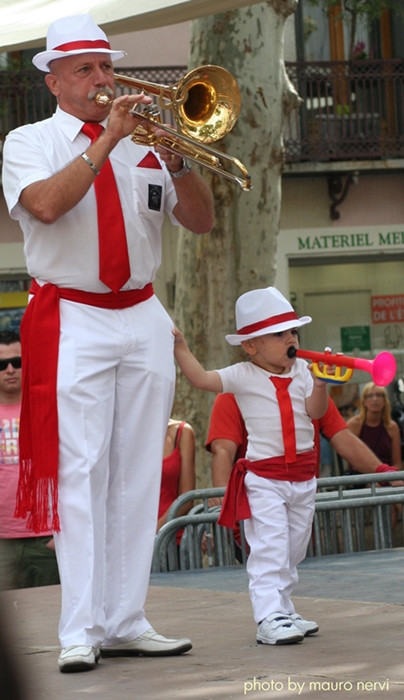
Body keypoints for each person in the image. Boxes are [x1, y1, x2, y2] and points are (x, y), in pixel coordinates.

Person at [2, 14, 214, 674]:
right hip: (75, 316)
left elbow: (201, 220)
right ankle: (80, 627)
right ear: (54, 81)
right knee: (80, 472)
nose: (103, 79)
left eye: (106, 65)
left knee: (136, 471)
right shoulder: (29, 140)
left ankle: (127, 618)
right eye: (87, 69)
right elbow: (43, 206)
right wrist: (105, 142)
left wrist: (178, 163)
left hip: (143, 313)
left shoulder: (145, 144)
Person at [174, 286, 330, 646]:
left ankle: (284, 606)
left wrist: (321, 383)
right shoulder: (242, 374)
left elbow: (316, 412)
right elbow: (201, 379)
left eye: (294, 331)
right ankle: (267, 615)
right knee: (270, 547)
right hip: (264, 478)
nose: (291, 338)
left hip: (304, 476)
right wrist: (180, 347)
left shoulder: (304, 369)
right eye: (280, 334)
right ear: (251, 345)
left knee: (295, 548)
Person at [0, 330, 60, 591]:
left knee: (51, 623)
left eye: (18, 361)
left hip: (47, 539)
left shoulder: (51, 407)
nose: (11, 369)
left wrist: (65, 533)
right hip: (2, 542)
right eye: (2, 364)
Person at [347, 382, 402, 524]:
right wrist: (381, 480)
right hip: (362, 476)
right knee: (388, 499)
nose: (375, 399)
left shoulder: (392, 427)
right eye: (370, 396)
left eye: (379, 395)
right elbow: (352, 459)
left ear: (385, 401)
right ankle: (384, 543)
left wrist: (390, 478)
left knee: (393, 495)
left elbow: (397, 461)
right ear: (364, 401)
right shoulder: (355, 424)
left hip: (389, 475)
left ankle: (388, 540)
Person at [158, 419, 196, 539]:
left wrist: (153, 534)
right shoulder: (123, 434)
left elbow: (186, 500)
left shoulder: (182, 432)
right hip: (131, 541)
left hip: (172, 539)